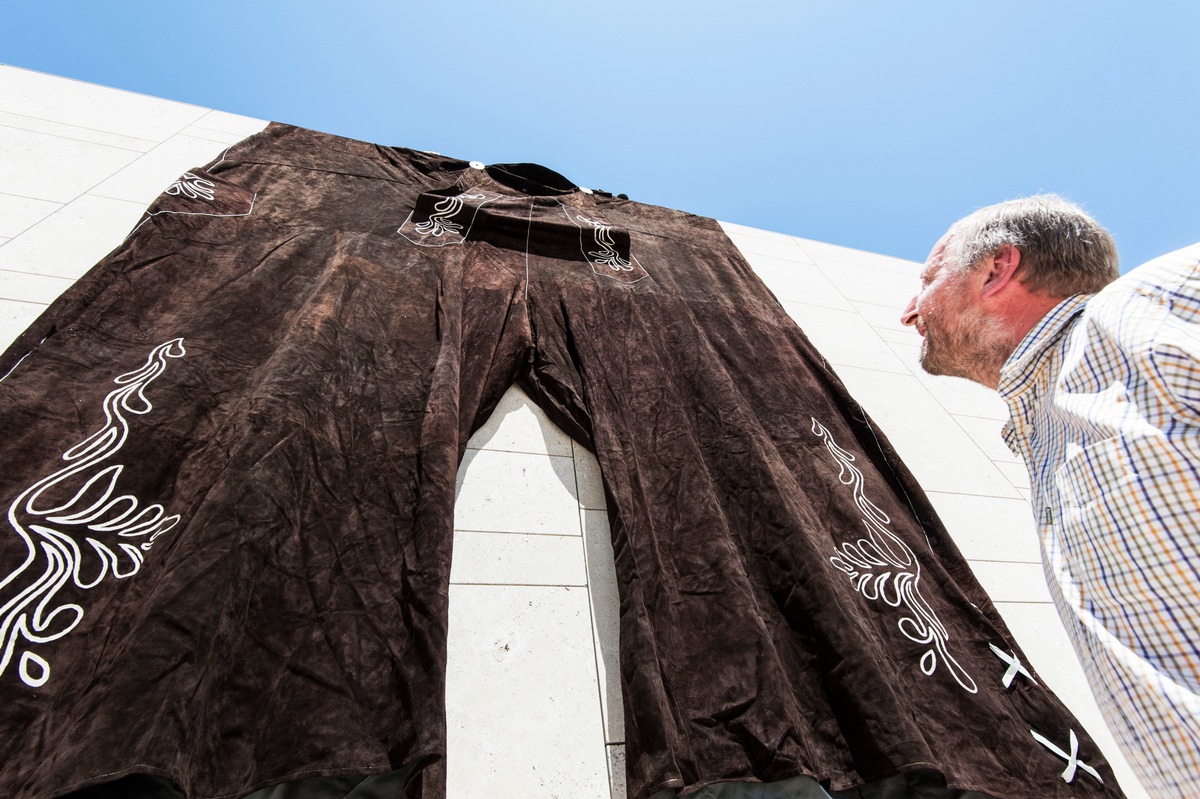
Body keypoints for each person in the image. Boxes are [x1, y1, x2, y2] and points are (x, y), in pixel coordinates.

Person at [900, 195, 1200, 799]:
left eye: (929, 280)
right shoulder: (1046, 431)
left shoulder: (1150, 307)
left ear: (996, 270)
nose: (910, 311)